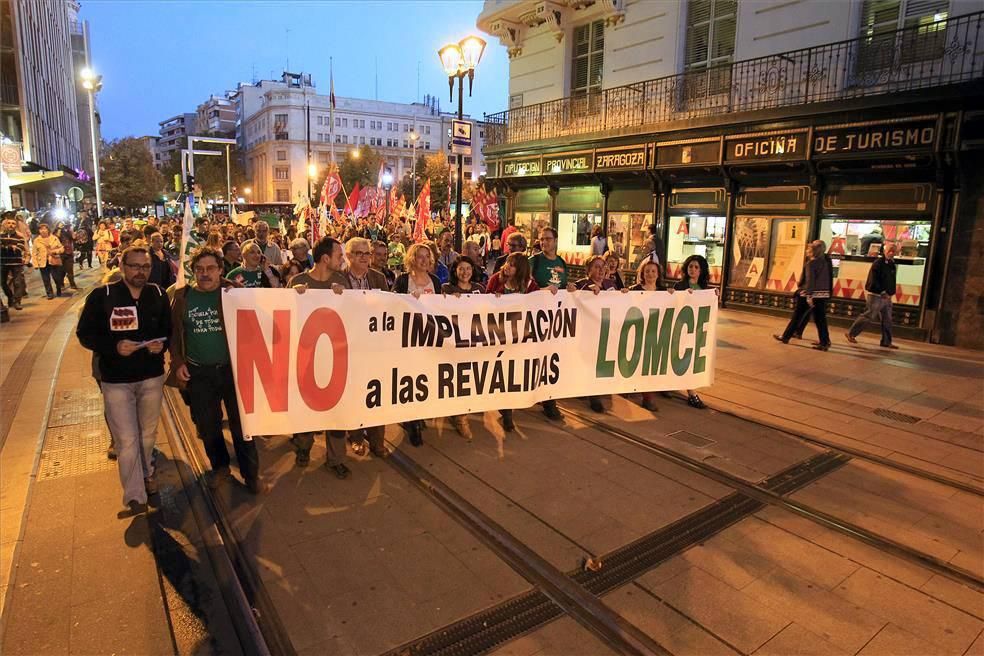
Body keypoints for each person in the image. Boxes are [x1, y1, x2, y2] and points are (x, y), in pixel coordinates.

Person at [76, 244, 171, 511]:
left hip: (151, 376)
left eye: (145, 267)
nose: (140, 272)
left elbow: (167, 329)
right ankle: (135, 494)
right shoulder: (102, 295)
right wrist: (113, 347)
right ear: (122, 267)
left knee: (148, 435)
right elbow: (85, 334)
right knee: (127, 439)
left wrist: (160, 346)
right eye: (134, 266)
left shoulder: (158, 294)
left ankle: (146, 472)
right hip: (116, 380)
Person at [168, 246, 268, 494]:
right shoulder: (182, 297)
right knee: (208, 426)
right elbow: (174, 334)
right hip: (198, 373)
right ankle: (220, 468)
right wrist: (178, 361)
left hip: (232, 372)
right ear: (193, 272)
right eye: (199, 269)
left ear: (221, 269)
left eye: (211, 268)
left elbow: (264, 316)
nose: (205, 274)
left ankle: (251, 475)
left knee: (243, 427)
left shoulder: (234, 293)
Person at [288, 237, 355, 475]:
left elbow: (352, 315)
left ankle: (336, 459)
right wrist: (294, 297)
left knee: (337, 410)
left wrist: (343, 297)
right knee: (307, 408)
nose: (343, 260)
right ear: (326, 259)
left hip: (336, 357)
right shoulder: (298, 282)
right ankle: (303, 447)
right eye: (339, 255)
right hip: (306, 358)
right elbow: (286, 318)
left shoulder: (341, 280)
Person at [486, 252, 562, 429]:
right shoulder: (497, 280)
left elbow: (536, 298)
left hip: (521, 335)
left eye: (511, 264)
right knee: (502, 371)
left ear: (520, 269)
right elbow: (485, 298)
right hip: (500, 334)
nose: (507, 266)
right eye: (507, 263)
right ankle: (506, 411)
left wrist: (548, 291)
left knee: (515, 371)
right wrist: (494, 297)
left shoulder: (528, 284)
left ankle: (510, 408)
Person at [392, 243, 442, 446]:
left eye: (426, 257)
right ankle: (411, 421)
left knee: (425, 379)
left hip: (429, 339)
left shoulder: (436, 281)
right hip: (408, 339)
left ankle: (419, 414)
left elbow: (442, 307)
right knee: (410, 380)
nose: (423, 260)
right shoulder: (403, 280)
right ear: (412, 258)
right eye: (419, 257)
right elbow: (392, 305)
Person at [570, 255, 621, 413]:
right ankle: (594, 396)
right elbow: (572, 296)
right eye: (597, 267)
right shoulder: (581, 284)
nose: (601, 270)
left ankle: (592, 390)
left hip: (605, 330)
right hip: (587, 331)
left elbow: (619, 302)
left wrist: (625, 293)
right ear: (588, 270)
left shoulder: (610, 284)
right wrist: (578, 291)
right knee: (589, 361)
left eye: (603, 266)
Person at [672, 254, 715, 408]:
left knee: (690, 361)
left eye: (696, 267)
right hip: (681, 329)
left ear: (701, 270)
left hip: (696, 331)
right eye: (690, 266)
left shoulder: (705, 289)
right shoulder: (680, 286)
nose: (693, 269)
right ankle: (692, 394)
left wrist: (713, 297)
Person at [846, 243, 898, 349]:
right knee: (868, 316)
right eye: (890, 251)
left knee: (887, 319)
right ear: (885, 251)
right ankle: (851, 333)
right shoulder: (878, 263)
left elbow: (892, 280)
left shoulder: (892, 264)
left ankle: (886, 341)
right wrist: (882, 291)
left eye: (893, 251)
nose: (892, 253)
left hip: (887, 296)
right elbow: (874, 279)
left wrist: (890, 293)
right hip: (876, 295)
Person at [629, 260, 663, 412]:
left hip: (653, 335)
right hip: (636, 333)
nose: (650, 274)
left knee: (648, 366)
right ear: (642, 274)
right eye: (647, 271)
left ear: (658, 274)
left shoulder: (663, 292)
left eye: (653, 271)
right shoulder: (634, 290)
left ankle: (647, 398)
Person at [0, 216, 27, 310]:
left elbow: (20, 247)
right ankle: (10, 297)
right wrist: (10, 246)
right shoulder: (1, 236)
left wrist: (6, 246)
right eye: (9, 223)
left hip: (16, 262)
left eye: (13, 223)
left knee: (18, 282)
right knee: (3, 282)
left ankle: (17, 301)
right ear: (5, 224)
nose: (11, 225)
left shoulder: (19, 236)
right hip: (3, 262)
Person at [32, 223, 65, 299]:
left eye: (44, 229)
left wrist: (56, 251)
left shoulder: (54, 238)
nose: (43, 231)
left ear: (48, 230)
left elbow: (61, 248)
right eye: (41, 229)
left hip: (54, 260)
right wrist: (35, 264)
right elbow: (34, 253)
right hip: (43, 262)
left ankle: (58, 287)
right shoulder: (36, 240)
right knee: (46, 279)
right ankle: (49, 293)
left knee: (56, 277)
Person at [55, 223, 78, 290]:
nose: (62, 224)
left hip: (69, 252)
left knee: (70, 270)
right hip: (60, 254)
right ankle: (61, 284)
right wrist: (59, 229)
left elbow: (74, 238)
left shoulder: (68, 230)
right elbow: (57, 237)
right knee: (61, 270)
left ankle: (72, 284)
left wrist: (71, 229)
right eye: (59, 223)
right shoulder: (55, 232)